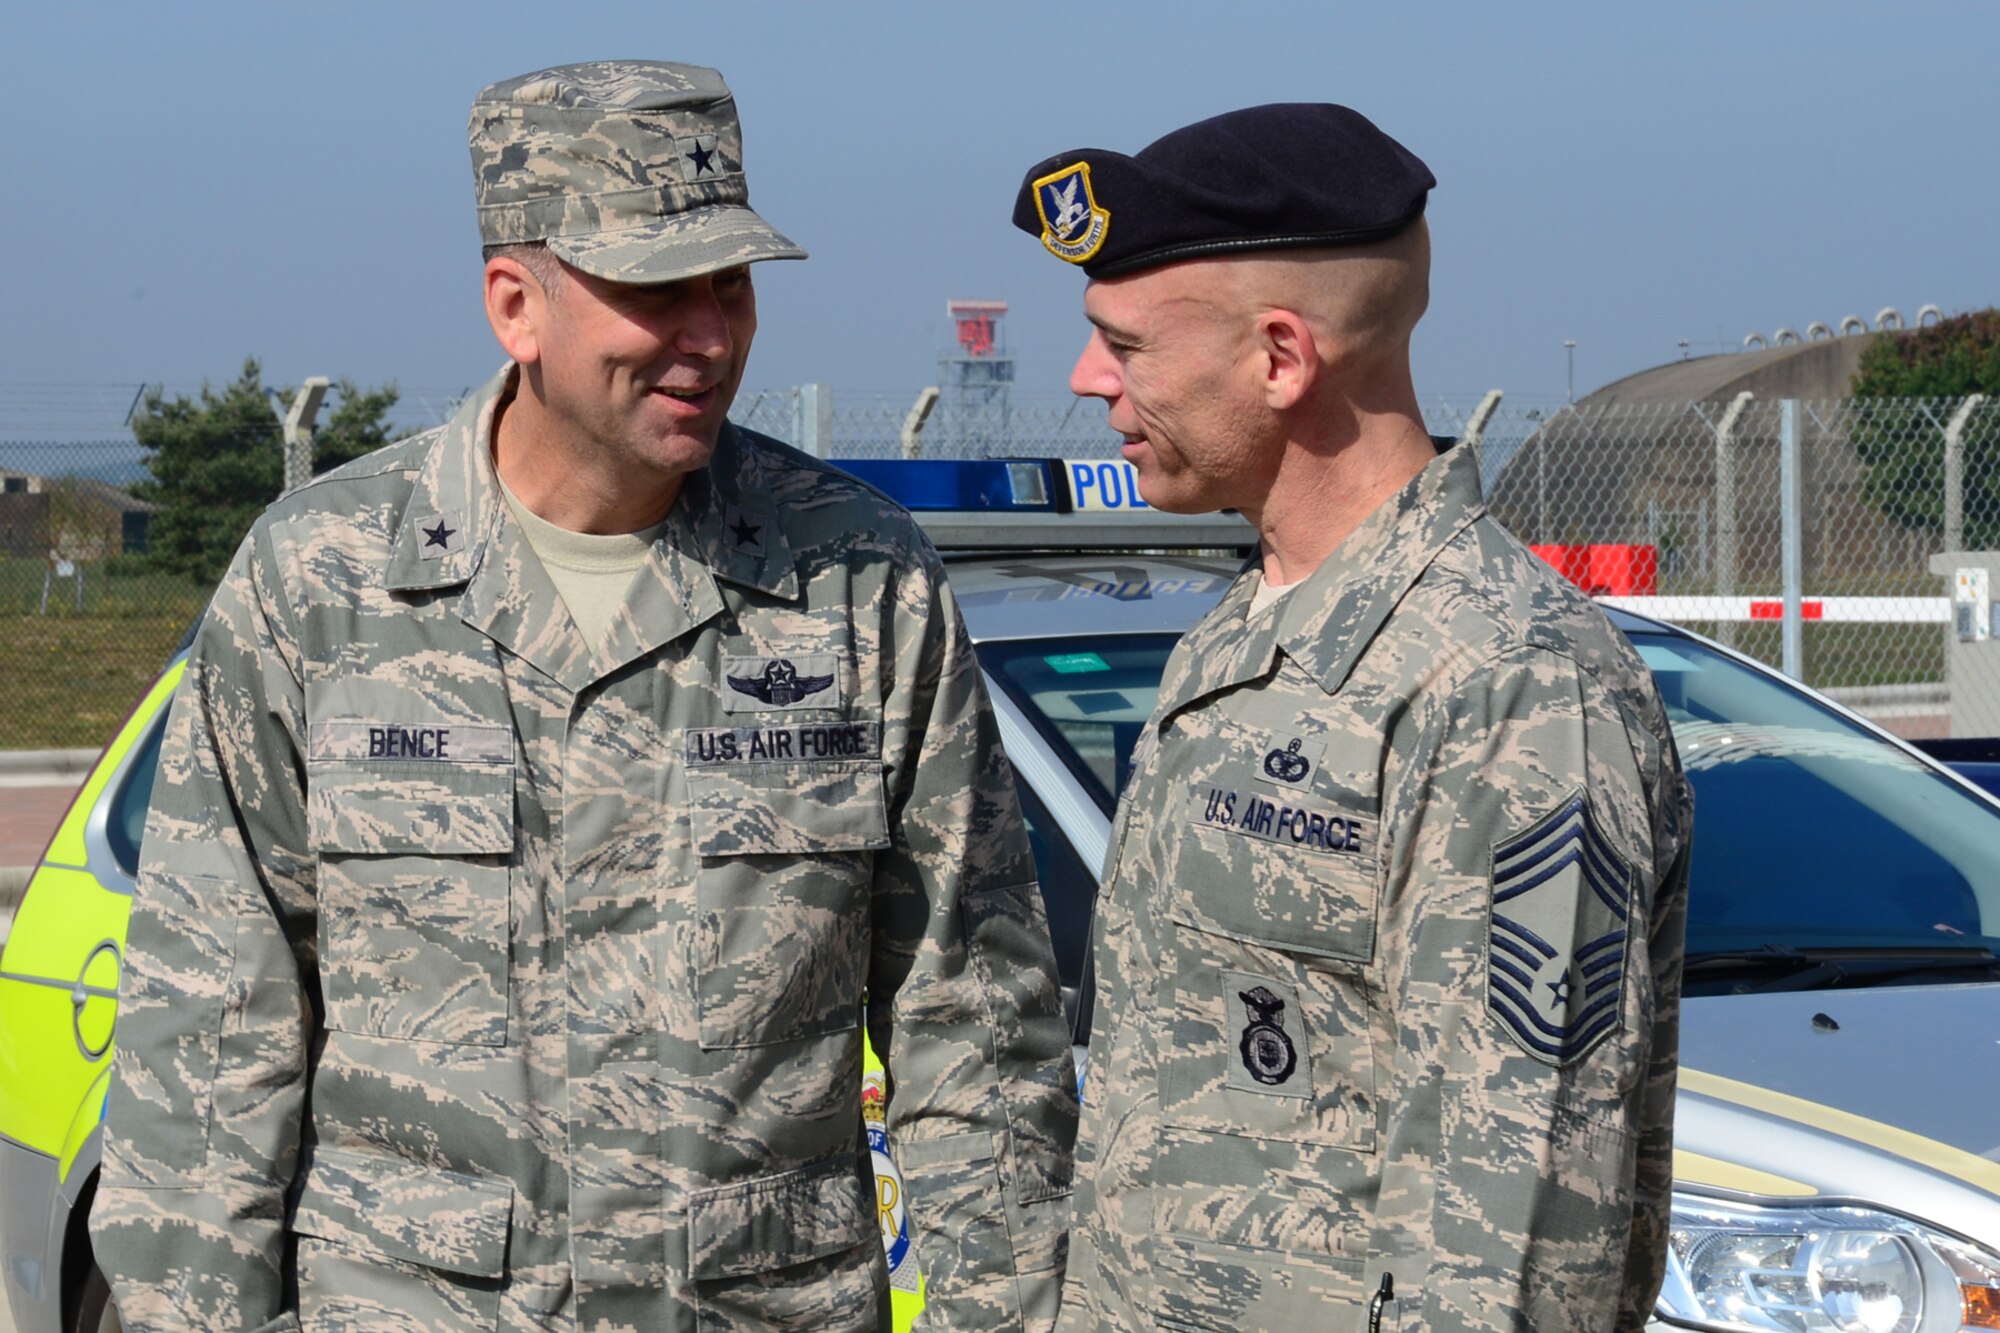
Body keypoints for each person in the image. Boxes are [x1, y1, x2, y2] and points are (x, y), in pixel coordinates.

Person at [90, 60, 1076, 1333]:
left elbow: (974, 1025)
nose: (710, 338)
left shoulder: (856, 580)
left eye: (731, 285)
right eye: (658, 291)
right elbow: (210, 1038)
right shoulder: (321, 583)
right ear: (517, 304)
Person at [1011, 105, 1691, 1332]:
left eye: (1124, 344)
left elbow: (1508, 1246)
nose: (1086, 378)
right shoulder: (1238, 635)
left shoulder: (1504, 688)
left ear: (1280, 358)